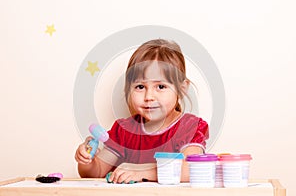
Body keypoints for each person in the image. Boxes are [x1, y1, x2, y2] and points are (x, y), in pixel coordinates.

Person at [75, 39, 209, 183]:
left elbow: (191, 169)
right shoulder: (124, 130)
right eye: (140, 87)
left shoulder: (190, 127)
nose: (149, 97)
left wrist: (142, 173)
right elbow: (96, 172)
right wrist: (86, 160)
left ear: (181, 88)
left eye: (161, 87)